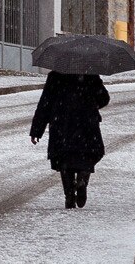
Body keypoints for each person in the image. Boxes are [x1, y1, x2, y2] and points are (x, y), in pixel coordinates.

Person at [30, 70, 110, 208]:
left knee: (63, 159)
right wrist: (92, 104)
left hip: (62, 124)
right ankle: (82, 178)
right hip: (86, 124)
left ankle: (69, 195)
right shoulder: (90, 73)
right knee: (89, 154)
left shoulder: (55, 75)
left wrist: (36, 130)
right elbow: (104, 98)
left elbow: (45, 103)